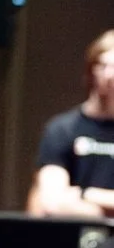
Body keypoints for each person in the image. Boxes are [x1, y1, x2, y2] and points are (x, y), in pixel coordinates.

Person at [27, 30, 114, 217]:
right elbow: (52, 202)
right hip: (72, 239)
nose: (109, 76)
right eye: (103, 65)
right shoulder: (62, 129)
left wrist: (85, 193)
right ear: (91, 70)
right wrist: (105, 213)